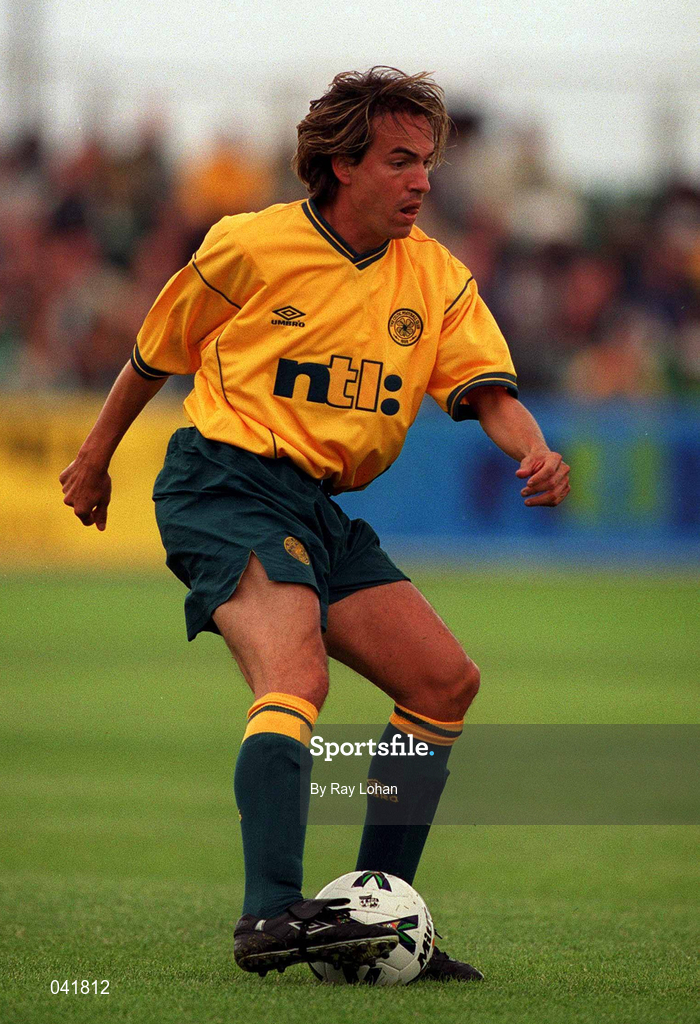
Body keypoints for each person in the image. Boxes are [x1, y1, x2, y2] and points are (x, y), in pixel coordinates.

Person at [60, 67, 570, 982]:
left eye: (429, 163)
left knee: (444, 682)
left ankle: (377, 916)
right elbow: (151, 355)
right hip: (223, 483)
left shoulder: (436, 277)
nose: (422, 181)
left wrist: (530, 449)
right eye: (401, 161)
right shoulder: (249, 247)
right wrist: (95, 458)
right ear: (340, 164)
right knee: (294, 672)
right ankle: (268, 915)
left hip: (317, 508)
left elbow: (487, 391)